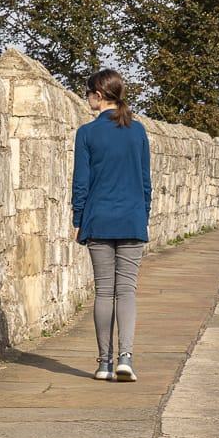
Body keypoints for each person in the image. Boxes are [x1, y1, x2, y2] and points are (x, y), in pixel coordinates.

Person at [72, 68, 152, 382]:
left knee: (104, 292)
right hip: (131, 219)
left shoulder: (87, 133)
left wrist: (78, 218)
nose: (86, 97)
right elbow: (146, 181)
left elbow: (81, 182)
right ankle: (126, 359)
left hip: (99, 219)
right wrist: (142, 215)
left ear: (99, 95)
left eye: (88, 92)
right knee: (127, 292)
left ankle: (104, 363)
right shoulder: (138, 131)